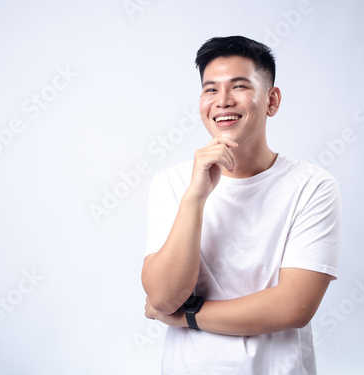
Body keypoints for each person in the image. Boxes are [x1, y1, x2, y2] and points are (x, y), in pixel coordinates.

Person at [141, 35, 341, 374]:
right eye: (211, 89)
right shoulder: (172, 184)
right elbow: (162, 297)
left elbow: (293, 306)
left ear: (272, 101)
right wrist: (195, 197)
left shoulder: (312, 186)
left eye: (239, 87)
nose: (223, 101)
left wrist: (186, 316)